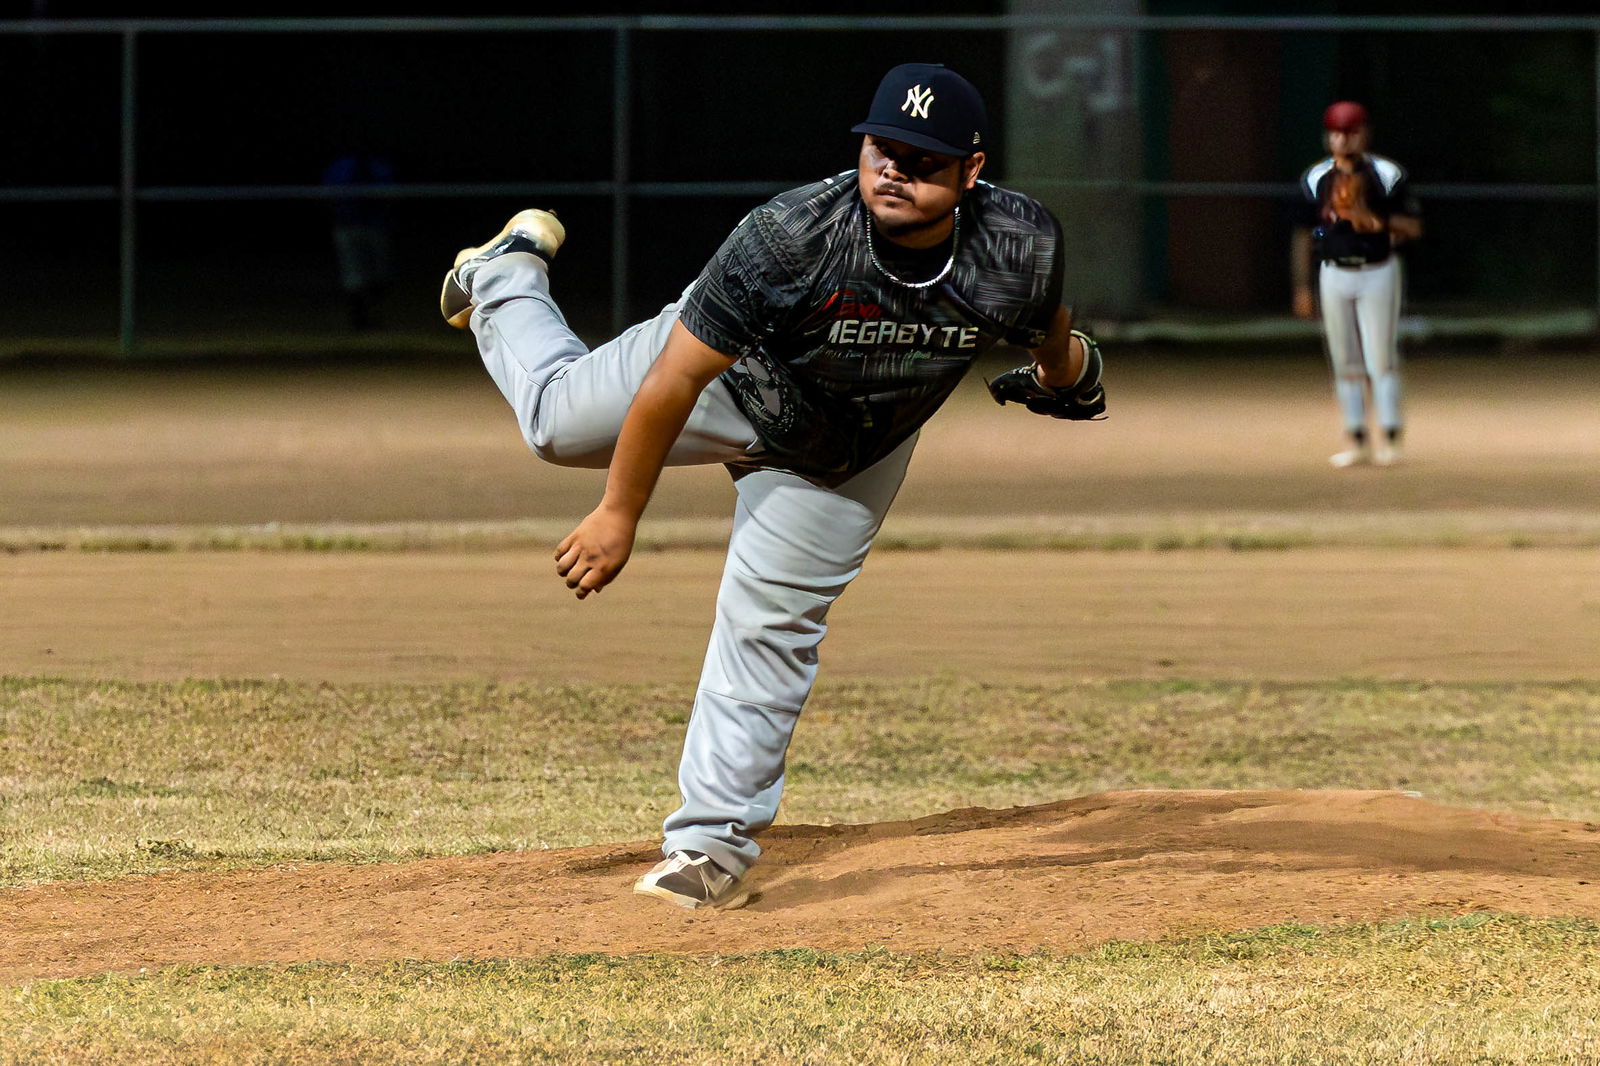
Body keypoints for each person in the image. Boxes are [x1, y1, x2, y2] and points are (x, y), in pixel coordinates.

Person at [439, 63, 1104, 911]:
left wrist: (1067, 377)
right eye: (883, 149)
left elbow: (1045, 332)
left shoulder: (1020, 245)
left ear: (972, 173)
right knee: (554, 425)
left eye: (924, 158)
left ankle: (707, 848)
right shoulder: (790, 236)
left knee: (770, 626)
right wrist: (617, 511)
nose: (896, 169)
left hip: (846, 450)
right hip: (724, 381)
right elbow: (674, 383)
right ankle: (504, 276)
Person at [1292, 101, 1422, 467]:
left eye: (1349, 132)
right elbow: (1306, 233)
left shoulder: (1387, 175)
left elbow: (1413, 227)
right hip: (1334, 272)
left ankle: (1392, 436)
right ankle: (1357, 438)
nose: (1342, 139)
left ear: (1364, 133)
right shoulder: (1316, 178)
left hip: (1377, 270)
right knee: (1344, 358)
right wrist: (1302, 286)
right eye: (1335, 132)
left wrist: (1374, 220)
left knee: (1380, 355)